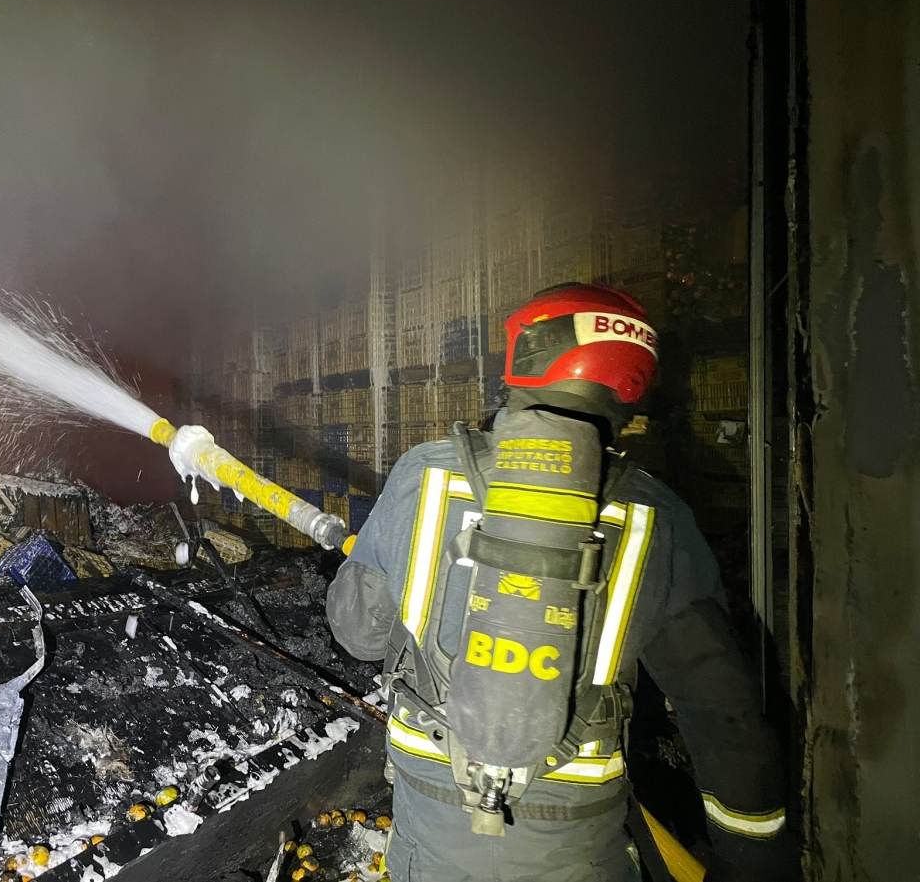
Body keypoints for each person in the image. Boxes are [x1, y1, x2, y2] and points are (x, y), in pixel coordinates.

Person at [326, 283, 790, 882]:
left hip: (430, 843)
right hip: (577, 851)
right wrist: (751, 854)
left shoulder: (424, 474)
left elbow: (359, 634)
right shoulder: (655, 517)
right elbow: (722, 713)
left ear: (521, 361)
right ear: (629, 383)